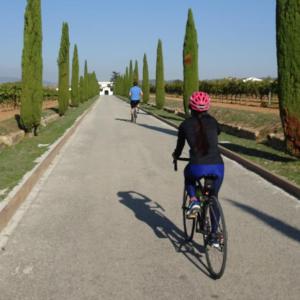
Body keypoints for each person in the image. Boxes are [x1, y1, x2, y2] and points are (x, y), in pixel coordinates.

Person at [172, 91, 224, 221]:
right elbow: (216, 133)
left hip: (197, 166)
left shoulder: (185, 125)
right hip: (218, 166)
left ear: (190, 107)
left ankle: (194, 200)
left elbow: (180, 147)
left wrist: (176, 155)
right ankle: (214, 238)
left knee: (188, 175)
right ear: (208, 107)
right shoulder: (213, 121)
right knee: (214, 198)